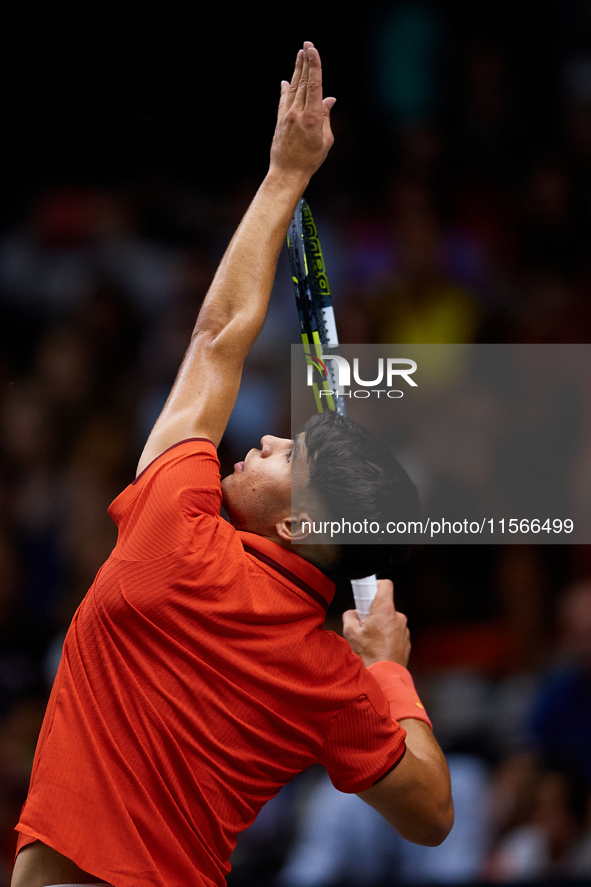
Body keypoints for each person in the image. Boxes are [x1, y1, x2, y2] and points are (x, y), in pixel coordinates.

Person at [11, 43, 453, 887]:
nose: (271, 440)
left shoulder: (178, 530)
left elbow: (215, 339)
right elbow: (431, 812)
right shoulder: (330, 680)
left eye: (296, 454)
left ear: (299, 525)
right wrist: (386, 665)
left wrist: (286, 173)